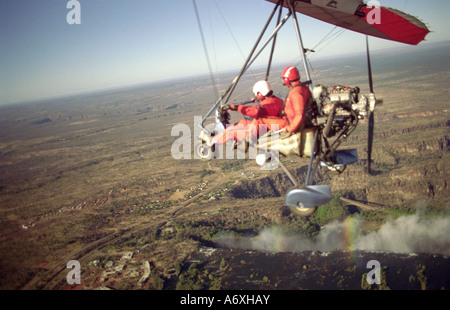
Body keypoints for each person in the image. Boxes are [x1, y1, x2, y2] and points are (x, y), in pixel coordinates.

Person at [207, 80, 284, 146]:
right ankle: (224, 133)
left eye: (257, 94)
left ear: (260, 94)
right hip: (264, 125)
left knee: (230, 132)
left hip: (261, 130)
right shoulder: (277, 100)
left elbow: (255, 111)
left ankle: (212, 142)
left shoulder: (268, 104)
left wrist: (237, 107)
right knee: (242, 122)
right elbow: (264, 109)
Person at [279, 66, 314, 134]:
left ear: (287, 79)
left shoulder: (295, 93)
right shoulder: (303, 88)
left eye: (284, 79)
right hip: (291, 120)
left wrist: (289, 128)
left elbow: (299, 115)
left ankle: (259, 143)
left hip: (289, 122)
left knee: (261, 122)